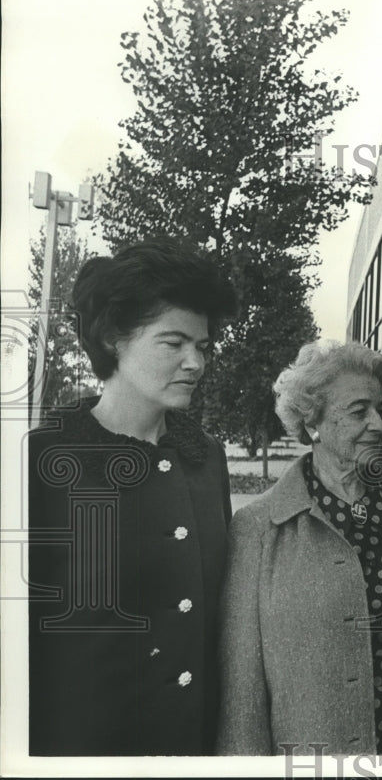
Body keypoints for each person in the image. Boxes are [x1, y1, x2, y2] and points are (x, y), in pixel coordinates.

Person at [28, 242, 238, 755]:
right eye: (173, 343)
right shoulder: (43, 458)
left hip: (189, 748)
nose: (196, 362)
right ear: (113, 339)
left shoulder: (205, 457)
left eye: (203, 346)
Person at [216, 340, 382, 755]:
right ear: (312, 422)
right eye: (358, 411)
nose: (379, 425)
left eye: (380, 409)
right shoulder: (257, 530)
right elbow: (242, 691)